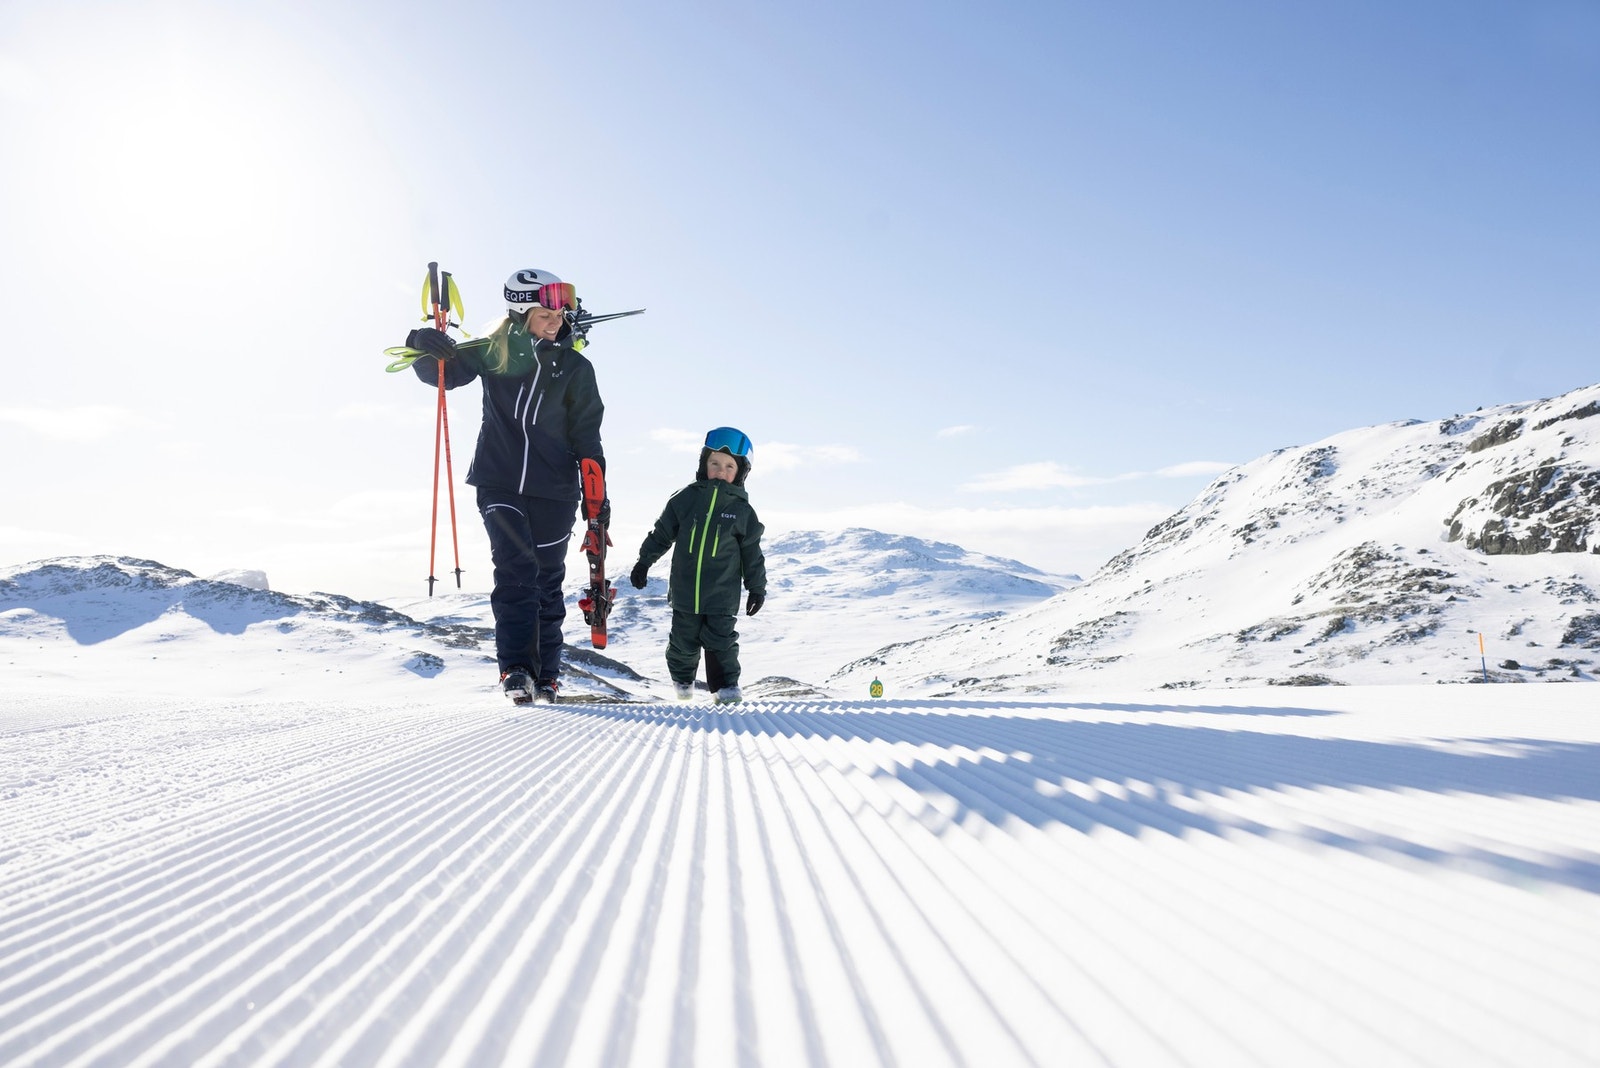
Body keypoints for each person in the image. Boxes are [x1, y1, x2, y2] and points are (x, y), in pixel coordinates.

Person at [405, 268, 606, 704]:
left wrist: (597, 501)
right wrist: (423, 342)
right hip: (499, 482)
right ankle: (516, 670)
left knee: (548, 582)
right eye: (546, 313)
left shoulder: (575, 367)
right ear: (521, 311)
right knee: (516, 572)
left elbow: (587, 437)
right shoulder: (494, 350)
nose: (556, 321)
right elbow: (444, 374)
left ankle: (547, 676)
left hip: (556, 491)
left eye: (560, 314)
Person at [629, 427, 767, 703]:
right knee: (682, 643)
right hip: (685, 592)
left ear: (740, 473)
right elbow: (661, 534)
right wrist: (643, 562)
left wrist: (757, 588)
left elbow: (752, 553)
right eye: (714, 463)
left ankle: (726, 690)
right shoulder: (685, 499)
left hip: (722, 595)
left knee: (722, 643)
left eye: (729, 466)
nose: (720, 470)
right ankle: (683, 685)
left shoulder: (743, 511)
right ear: (704, 464)